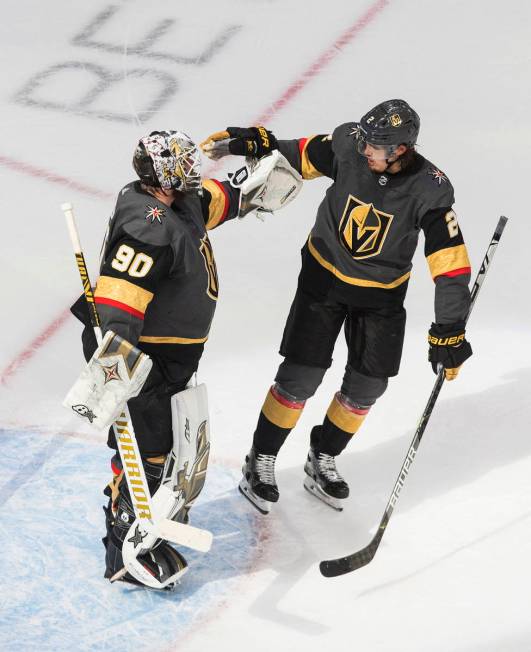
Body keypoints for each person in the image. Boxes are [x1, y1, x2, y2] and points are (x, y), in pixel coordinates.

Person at [200, 100, 473, 513]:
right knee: (300, 377)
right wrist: (257, 143)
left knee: (368, 387)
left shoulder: (431, 189)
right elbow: (300, 155)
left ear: (402, 150)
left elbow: (450, 266)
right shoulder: (350, 144)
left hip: (381, 297)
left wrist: (449, 329)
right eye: (365, 142)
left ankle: (323, 454)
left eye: (376, 147)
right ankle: (262, 459)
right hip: (323, 279)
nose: (366, 151)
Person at [70, 130, 245, 587]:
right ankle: (124, 551)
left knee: (162, 451)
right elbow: (119, 307)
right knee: (144, 453)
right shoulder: (147, 224)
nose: (193, 169)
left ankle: (140, 532)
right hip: (138, 353)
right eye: (184, 163)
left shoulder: (176, 203)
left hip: (170, 355)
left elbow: (214, 200)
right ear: (164, 174)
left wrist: (259, 180)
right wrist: (116, 371)